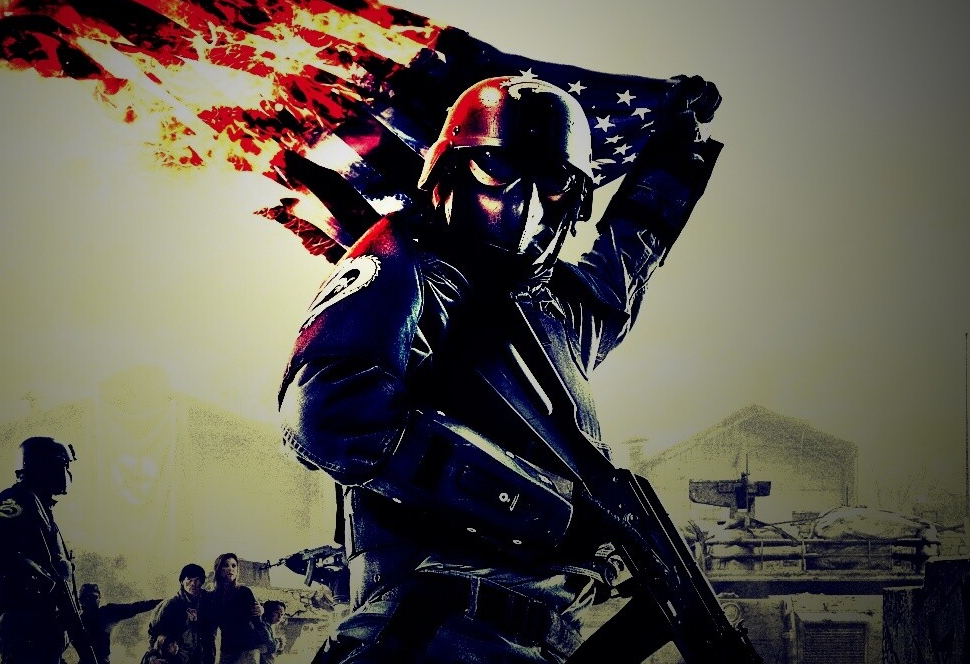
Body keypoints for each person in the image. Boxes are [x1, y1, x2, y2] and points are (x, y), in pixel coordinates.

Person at [278, 74, 722, 662]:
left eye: (555, 182)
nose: (529, 204)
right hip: (427, 632)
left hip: (540, 640)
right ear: (449, 176)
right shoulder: (411, 268)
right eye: (497, 168)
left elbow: (626, 258)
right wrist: (554, 510)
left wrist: (676, 155)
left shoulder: (553, 313)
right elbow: (329, 416)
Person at [0, 436, 83, 664]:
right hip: (26, 631)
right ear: (47, 467)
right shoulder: (17, 500)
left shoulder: (42, 510)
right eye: (63, 465)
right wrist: (38, 575)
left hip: (44, 634)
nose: (66, 473)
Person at [77, 583, 161, 664]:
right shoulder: (77, 619)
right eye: (88, 597)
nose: (91, 601)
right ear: (81, 600)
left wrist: (161, 603)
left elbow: (135, 607)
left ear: (99, 598)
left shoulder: (106, 613)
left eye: (94, 597)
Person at [148, 563, 211, 664]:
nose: (193, 584)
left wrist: (196, 620)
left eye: (197, 580)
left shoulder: (205, 601)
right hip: (175, 656)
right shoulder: (171, 604)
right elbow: (153, 632)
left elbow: (207, 631)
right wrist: (153, 656)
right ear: (182, 582)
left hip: (197, 656)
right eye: (189, 580)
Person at [209, 553, 264, 664]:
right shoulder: (212, 596)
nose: (231, 569)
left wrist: (261, 611)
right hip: (227, 649)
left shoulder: (244, 591)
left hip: (247, 649)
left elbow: (258, 620)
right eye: (226, 565)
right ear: (218, 569)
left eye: (234, 566)